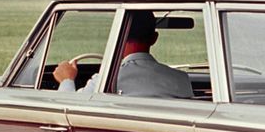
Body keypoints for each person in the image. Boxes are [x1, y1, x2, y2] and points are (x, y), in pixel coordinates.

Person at [54, 11, 193, 98]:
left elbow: (68, 111)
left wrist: (67, 80)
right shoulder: (180, 79)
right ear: (154, 38)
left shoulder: (106, 80)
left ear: (117, 38)